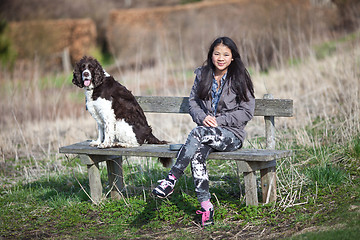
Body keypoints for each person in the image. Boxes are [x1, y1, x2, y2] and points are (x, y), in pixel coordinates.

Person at [152, 36, 255, 227]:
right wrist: (202, 117)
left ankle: (170, 179)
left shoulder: (240, 78)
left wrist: (219, 121)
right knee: (197, 155)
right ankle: (206, 206)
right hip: (206, 133)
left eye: (226, 54)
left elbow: (247, 112)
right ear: (211, 55)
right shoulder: (202, 75)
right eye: (217, 53)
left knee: (198, 133)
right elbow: (193, 103)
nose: (221, 58)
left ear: (233, 57)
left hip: (231, 136)